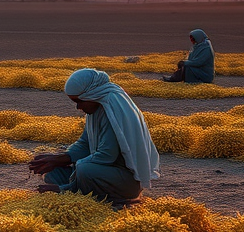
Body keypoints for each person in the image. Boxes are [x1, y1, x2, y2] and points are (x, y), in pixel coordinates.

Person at [28, 68, 160, 207]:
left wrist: (65, 187)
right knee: (53, 172)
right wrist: (59, 158)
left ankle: (80, 193)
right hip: (103, 172)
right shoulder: (95, 110)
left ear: (93, 95)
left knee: (84, 169)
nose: (78, 107)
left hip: (124, 180)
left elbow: (106, 155)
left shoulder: (113, 113)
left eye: (80, 101)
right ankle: (81, 190)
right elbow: (84, 144)